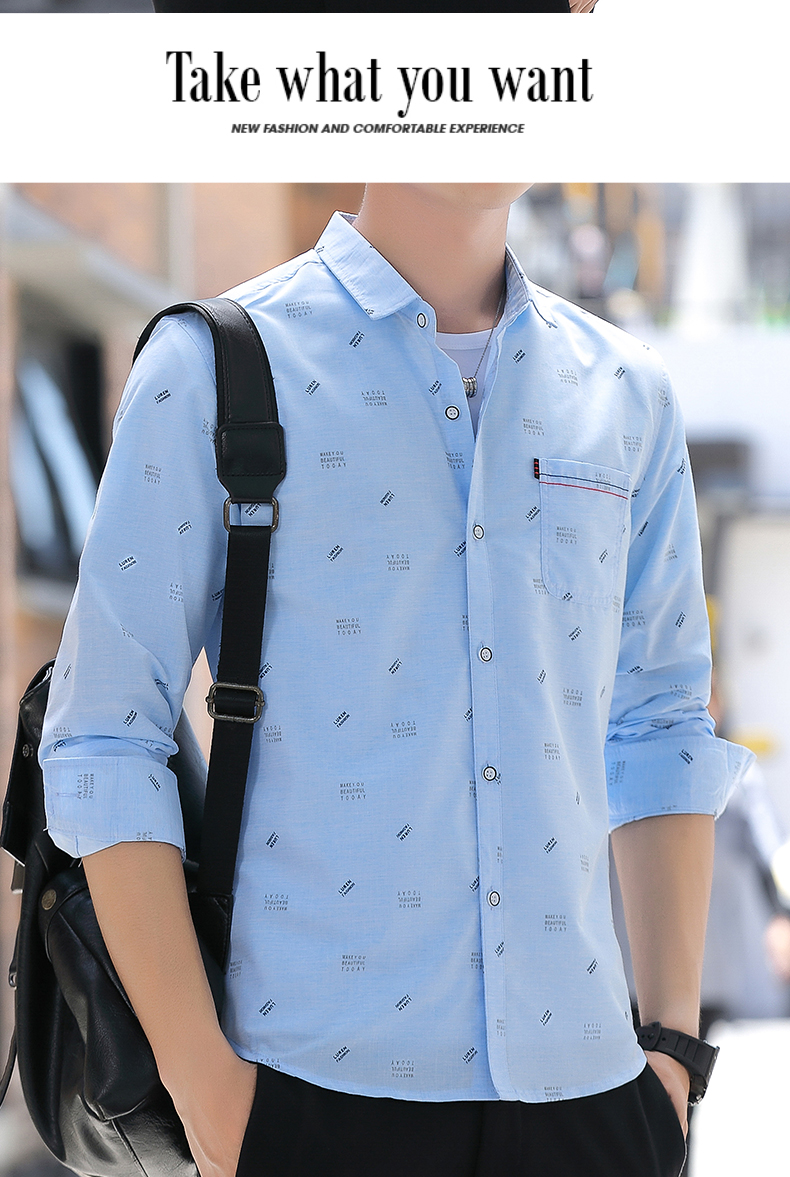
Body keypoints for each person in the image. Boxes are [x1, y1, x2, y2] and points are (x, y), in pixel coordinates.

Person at [41, 184, 751, 1177]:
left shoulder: (628, 391)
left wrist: (669, 1054)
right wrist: (207, 1092)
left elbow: (659, 723)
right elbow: (105, 737)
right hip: (307, 1099)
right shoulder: (215, 367)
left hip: (594, 1104)